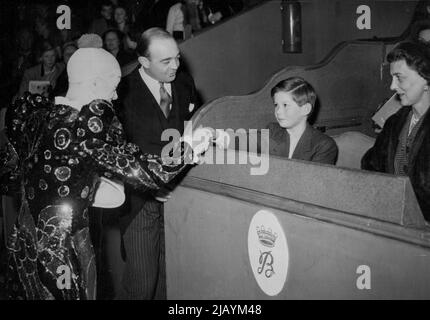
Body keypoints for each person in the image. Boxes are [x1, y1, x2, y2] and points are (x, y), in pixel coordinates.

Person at [0, 34, 213, 300]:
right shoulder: (86, 126)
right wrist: (191, 147)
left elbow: (11, 177)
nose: (114, 95)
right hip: (64, 251)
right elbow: (151, 174)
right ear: (96, 83)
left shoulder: (39, 114)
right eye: (112, 86)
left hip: (24, 244)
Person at [117, 27, 200, 300]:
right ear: (143, 62)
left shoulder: (185, 83)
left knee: (170, 280)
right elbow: (118, 153)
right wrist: (152, 185)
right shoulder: (121, 92)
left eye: (177, 57)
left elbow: (189, 132)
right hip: (140, 201)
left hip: (178, 195)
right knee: (142, 284)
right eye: (166, 61)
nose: (175, 66)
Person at [362, 41, 430, 220]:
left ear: (426, 79)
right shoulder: (394, 123)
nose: (392, 87)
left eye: (399, 77)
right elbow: (371, 166)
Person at [266, 77, 338, 164]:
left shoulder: (324, 145)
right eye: (276, 105)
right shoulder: (272, 130)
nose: (278, 111)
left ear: (305, 109)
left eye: (285, 105)